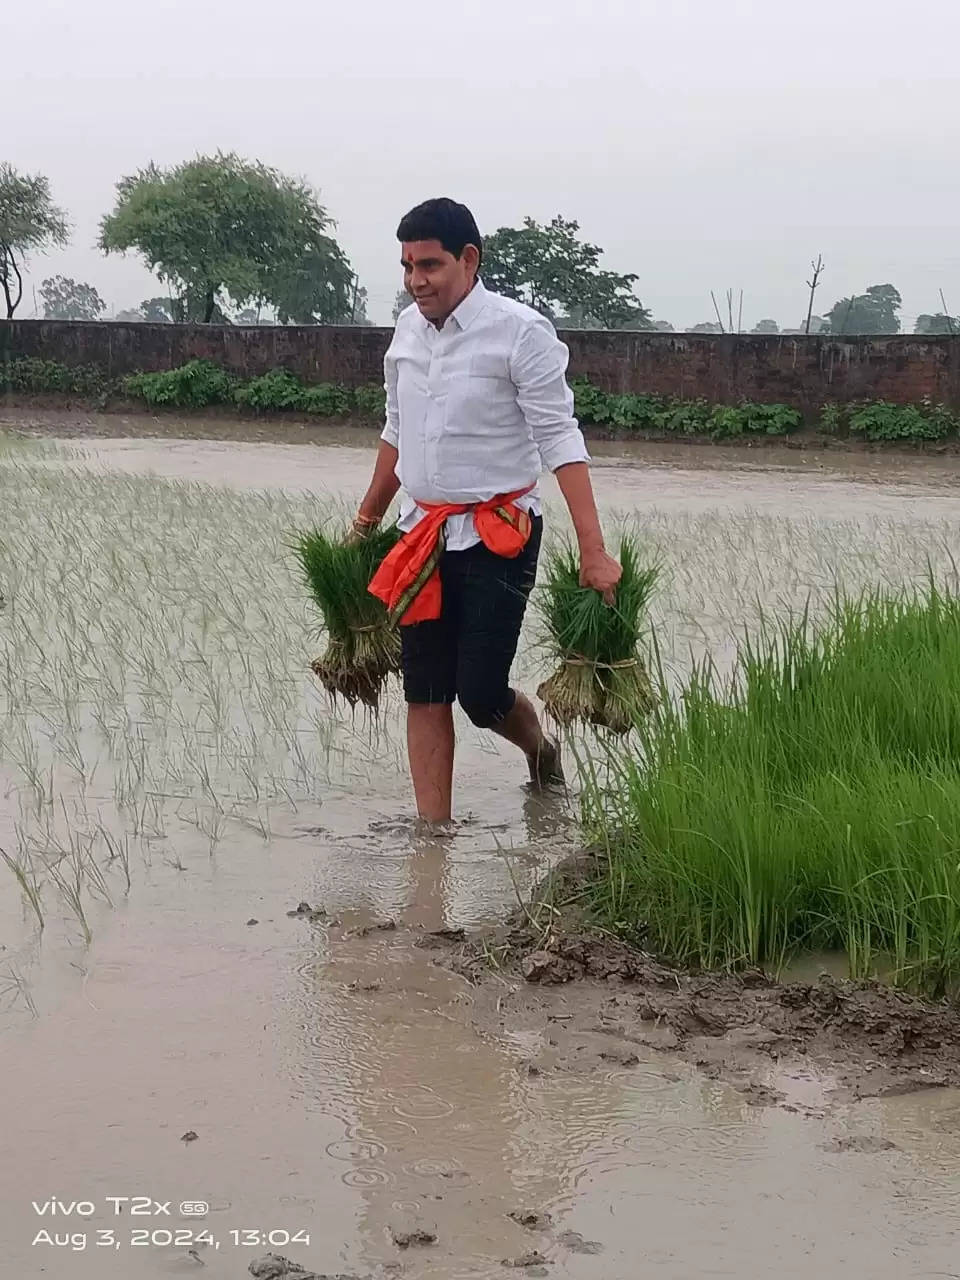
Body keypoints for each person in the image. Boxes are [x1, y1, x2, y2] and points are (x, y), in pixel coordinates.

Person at [354, 197, 621, 824]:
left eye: (430, 265)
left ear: (469, 260)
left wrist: (593, 549)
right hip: (421, 533)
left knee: (478, 693)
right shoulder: (406, 332)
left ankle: (541, 748)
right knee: (422, 690)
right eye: (406, 266)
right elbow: (397, 431)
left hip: (500, 533)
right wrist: (366, 519)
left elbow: (560, 439)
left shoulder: (520, 332)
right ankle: (433, 841)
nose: (416, 281)